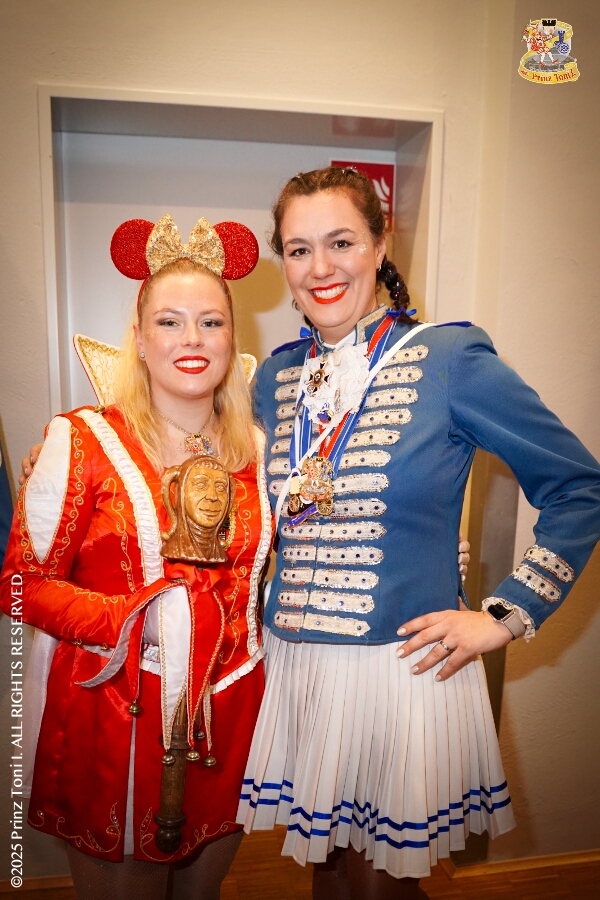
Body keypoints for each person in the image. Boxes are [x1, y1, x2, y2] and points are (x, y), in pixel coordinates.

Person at [235, 167, 600, 900]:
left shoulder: (450, 359)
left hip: (397, 670)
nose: (321, 267)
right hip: (298, 665)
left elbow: (579, 487)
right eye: (299, 249)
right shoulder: (273, 379)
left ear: (379, 245)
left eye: (341, 242)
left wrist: (504, 615)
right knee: (326, 875)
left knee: (381, 884)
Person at [0, 213, 273, 900]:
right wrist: (128, 621)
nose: (192, 339)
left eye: (210, 322)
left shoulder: (260, 453)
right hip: (116, 720)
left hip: (233, 717)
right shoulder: (80, 440)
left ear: (232, 338)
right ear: (140, 339)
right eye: (169, 322)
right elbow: (19, 586)